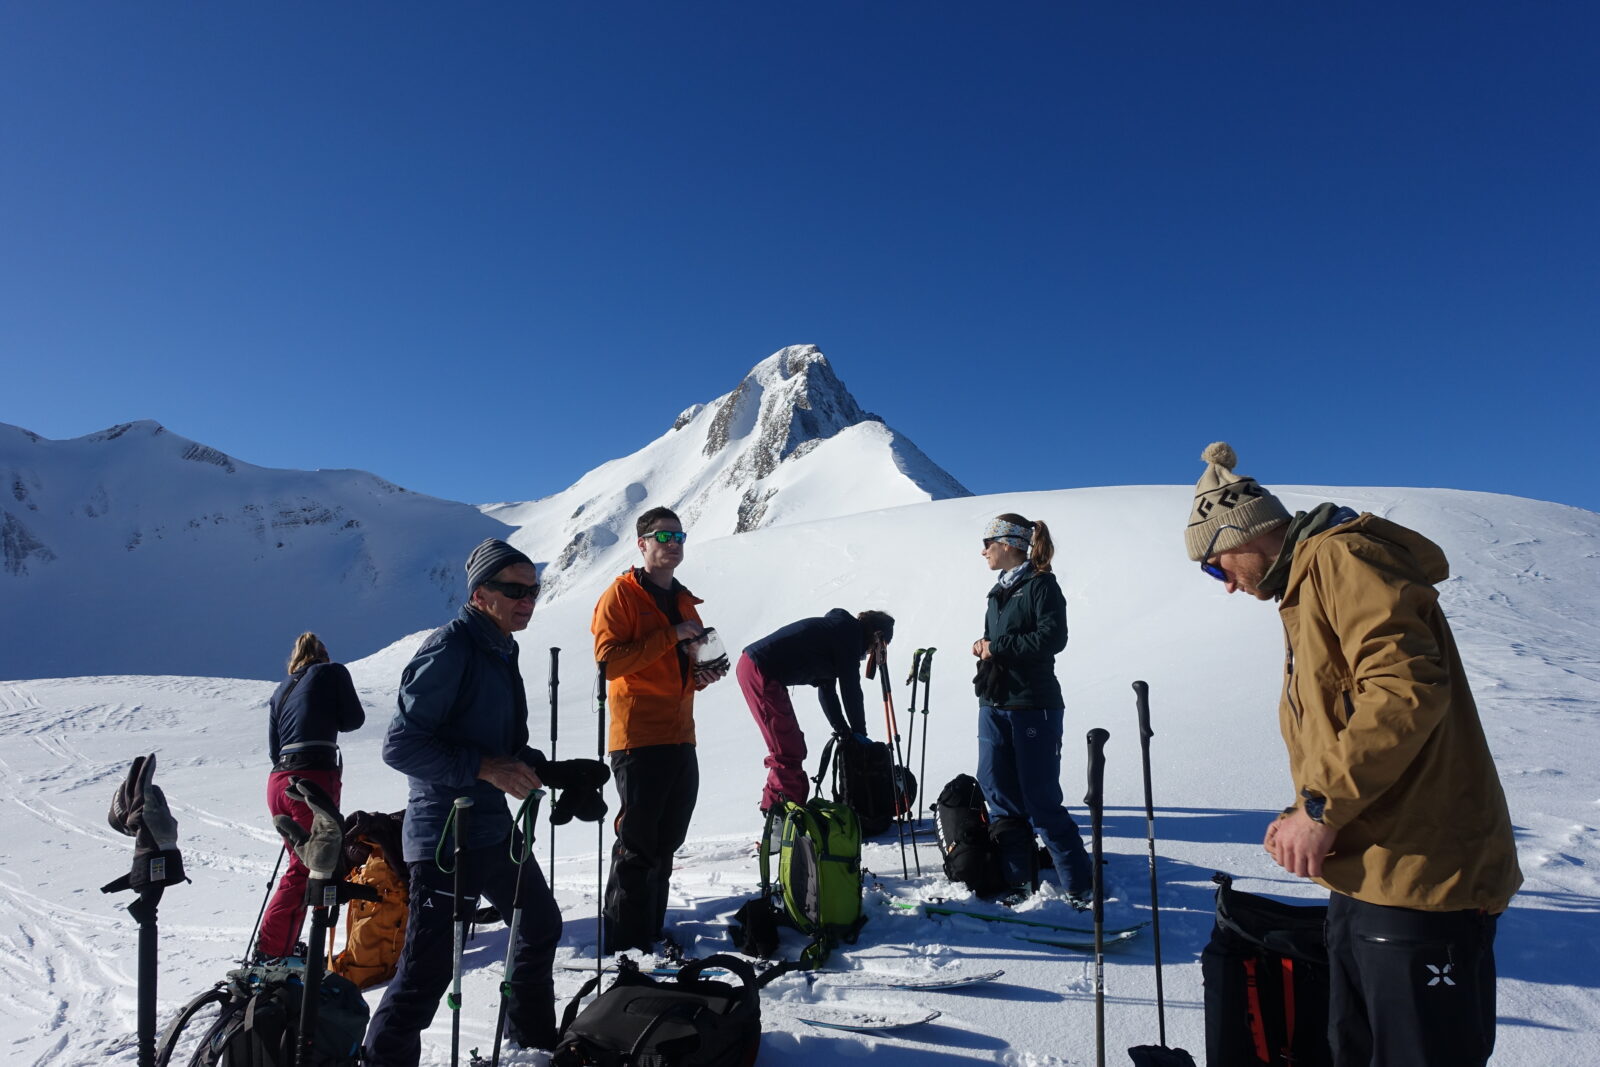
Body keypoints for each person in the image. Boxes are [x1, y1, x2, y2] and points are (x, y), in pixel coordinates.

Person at [1185, 441, 1521, 1066]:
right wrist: (1304, 809)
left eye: (1214, 567)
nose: (1224, 585)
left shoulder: (1343, 558)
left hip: (1422, 874)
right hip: (1370, 868)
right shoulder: (1306, 583)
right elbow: (1346, 716)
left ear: (1244, 537)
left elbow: (1404, 690)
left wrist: (1322, 807)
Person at [365, 538, 607, 1063]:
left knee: (539, 925)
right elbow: (401, 746)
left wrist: (556, 773)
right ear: (480, 594)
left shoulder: (501, 647)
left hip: (493, 829)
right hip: (445, 837)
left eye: (534, 590)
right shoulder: (450, 649)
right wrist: (485, 768)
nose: (529, 601)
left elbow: (502, 746)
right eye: (515, 591)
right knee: (428, 970)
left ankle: (533, 1044)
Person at [591, 506, 726, 956]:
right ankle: (625, 944)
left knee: (666, 842)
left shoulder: (684, 600)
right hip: (638, 738)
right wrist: (671, 634)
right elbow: (609, 663)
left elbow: (676, 667)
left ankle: (649, 932)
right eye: (663, 537)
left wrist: (701, 676)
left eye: (679, 536)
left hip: (680, 734)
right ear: (642, 544)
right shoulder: (622, 595)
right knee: (637, 845)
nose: (673, 544)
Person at [971, 513, 1094, 905]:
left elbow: (1052, 638)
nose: (983, 552)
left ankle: (1080, 885)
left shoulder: (1041, 585)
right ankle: (1018, 880)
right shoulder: (998, 592)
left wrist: (999, 647)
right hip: (995, 702)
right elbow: (998, 638)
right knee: (998, 792)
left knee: (1039, 799)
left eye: (988, 544)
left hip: (1032, 704)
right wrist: (984, 646)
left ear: (1008, 544)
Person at [257, 632, 365, 961]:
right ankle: (273, 950)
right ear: (323, 655)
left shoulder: (281, 690)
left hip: (279, 780)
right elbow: (354, 720)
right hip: (313, 778)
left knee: (302, 863)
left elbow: (274, 748)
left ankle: (282, 944)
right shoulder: (331, 672)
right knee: (312, 865)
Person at [737, 609, 895, 813]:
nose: (869, 654)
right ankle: (779, 812)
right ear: (876, 637)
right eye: (875, 649)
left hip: (758, 667)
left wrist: (844, 731)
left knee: (792, 746)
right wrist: (859, 732)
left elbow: (827, 691)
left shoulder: (839, 633)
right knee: (787, 750)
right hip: (761, 671)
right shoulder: (849, 635)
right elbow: (850, 689)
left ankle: (785, 808)